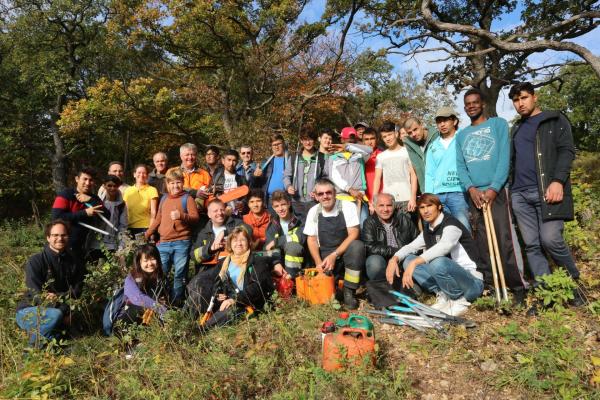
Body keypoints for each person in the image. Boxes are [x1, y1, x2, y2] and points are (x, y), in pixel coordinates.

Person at [508, 82, 583, 306]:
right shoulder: (517, 128)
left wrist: (558, 181)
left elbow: (567, 150)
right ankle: (546, 295)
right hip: (520, 195)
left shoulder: (554, 119)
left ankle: (575, 286)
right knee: (531, 245)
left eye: (523, 98)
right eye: (515, 100)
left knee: (550, 239)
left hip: (546, 191)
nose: (520, 103)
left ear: (534, 97)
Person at [456, 88, 526, 297]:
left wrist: (494, 188)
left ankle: (518, 286)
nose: (471, 106)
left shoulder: (498, 124)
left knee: (505, 239)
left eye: (475, 102)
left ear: (483, 103)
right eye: (467, 104)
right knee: (483, 241)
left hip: (497, 191)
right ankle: (493, 283)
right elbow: (461, 167)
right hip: (475, 194)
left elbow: (505, 158)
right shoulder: (462, 135)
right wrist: (471, 189)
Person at [386, 194, 484, 316]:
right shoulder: (429, 229)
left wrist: (416, 262)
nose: (426, 211)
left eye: (429, 206)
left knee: (437, 262)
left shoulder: (451, 224)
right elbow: (411, 246)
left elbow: (445, 246)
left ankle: (458, 300)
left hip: (472, 283)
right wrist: (394, 259)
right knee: (408, 259)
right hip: (449, 282)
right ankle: (443, 294)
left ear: (439, 207)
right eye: (422, 207)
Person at [16, 220, 86, 347]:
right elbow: (36, 294)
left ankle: (50, 337)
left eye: (63, 235)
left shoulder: (75, 262)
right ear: (48, 238)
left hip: (61, 309)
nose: (60, 238)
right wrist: (62, 310)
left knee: (73, 328)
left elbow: (77, 291)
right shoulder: (36, 261)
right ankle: (34, 347)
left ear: (68, 237)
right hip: (29, 311)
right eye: (55, 235)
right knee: (56, 315)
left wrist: (63, 305)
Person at [197, 227, 282, 329]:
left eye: (242, 240)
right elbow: (216, 282)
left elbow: (257, 287)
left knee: (229, 311)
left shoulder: (257, 261)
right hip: (229, 299)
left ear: (249, 242)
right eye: (235, 240)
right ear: (230, 244)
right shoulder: (224, 262)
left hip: (247, 303)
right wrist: (218, 294)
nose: (239, 243)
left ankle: (202, 330)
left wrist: (234, 299)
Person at [304, 179, 366, 309]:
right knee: (327, 293)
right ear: (315, 196)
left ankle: (349, 291)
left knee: (357, 246)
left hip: (344, 253)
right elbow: (311, 240)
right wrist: (318, 263)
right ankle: (333, 287)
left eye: (328, 192)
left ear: (335, 193)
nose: (325, 196)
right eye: (321, 194)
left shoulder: (348, 206)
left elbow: (354, 233)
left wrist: (335, 254)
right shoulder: (313, 212)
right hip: (325, 254)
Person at [145, 167, 199, 303]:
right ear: (167, 184)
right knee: (160, 272)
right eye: (172, 183)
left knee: (180, 274)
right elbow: (158, 218)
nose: (175, 186)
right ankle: (160, 300)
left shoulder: (188, 198)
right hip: (163, 243)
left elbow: (195, 218)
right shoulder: (163, 199)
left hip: (182, 242)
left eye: (178, 182)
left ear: (183, 182)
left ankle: (177, 302)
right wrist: (149, 232)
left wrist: (181, 216)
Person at [425, 107, 471, 231]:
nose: (442, 124)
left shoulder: (464, 138)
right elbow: (429, 172)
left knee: (463, 229)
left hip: (459, 192)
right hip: (438, 195)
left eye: (445, 120)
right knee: (441, 232)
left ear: (454, 121)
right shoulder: (433, 146)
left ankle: (467, 251)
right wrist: (429, 196)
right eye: (439, 121)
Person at [51, 166, 106, 259]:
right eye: (84, 179)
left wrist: (90, 200)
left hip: (84, 246)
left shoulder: (94, 199)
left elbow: (106, 215)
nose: (88, 183)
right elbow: (56, 217)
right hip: (63, 244)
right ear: (77, 179)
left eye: (91, 180)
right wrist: (84, 213)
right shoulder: (65, 195)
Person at [362, 193, 419, 281]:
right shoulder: (369, 222)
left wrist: (402, 255)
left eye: (389, 205)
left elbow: (417, 241)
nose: (385, 209)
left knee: (412, 261)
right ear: (375, 207)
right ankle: (382, 287)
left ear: (394, 206)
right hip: (382, 259)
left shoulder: (404, 219)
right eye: (381, 205)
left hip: (403, 257)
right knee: (374, 263)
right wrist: (395, 251)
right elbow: (370, 247)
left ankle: (407, 282)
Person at [113, 244, 169, 333]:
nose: (150, 263)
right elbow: (138, 298)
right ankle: (127, 338)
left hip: (151, 313)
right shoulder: (131, 278)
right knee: (137, 308)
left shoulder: (161, 277)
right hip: (127, 317)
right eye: (145, 260)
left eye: (153, 259)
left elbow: (165, 298)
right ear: (139, 262)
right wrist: (161, 309)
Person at [325, 127, 372, 226]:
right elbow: (334, 177)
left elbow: (369, 150)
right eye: (347, 140)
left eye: (353, 141)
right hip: (342, 198)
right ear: (341, 139)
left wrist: (346, 146)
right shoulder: (333, 157)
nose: (350, 143)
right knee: (344, 229)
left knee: (363, 228)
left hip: (360, 197)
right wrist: (350, 189)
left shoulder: (361, 156)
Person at [190, 199, 252, 272]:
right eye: (215, 211)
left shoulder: (235, 222)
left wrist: (225, 232)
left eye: (222, 210)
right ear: (209, 214)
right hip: (211, 270)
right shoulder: (204, 232)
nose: (220, 213)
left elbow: (249, 230)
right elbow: (194, 256)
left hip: (236, 266)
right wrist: (210, 249)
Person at [372, 121, 418, 214]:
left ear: (396, 134)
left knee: (407, 227)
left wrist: (413, 198)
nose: (387, 139)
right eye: (384, 137)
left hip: (406, 199)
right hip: (387, 202)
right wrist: (374, 201)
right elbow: (377, 179)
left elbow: (413, 175)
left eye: (389, 135)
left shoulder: (407, 152)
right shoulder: (381, 156)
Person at [284, 129, 324, 219]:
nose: (308, 142)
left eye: (310, 139)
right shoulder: (294, 157)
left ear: (314, 140)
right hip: (296, 201)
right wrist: (288, 186)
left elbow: (326, 178)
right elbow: (286, 176)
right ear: (301, 140)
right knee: (299, 229)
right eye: (305, 139)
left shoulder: (322, 158)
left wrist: (318, 189)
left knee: (314, 228)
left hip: (314, 200)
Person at [265, 190, 306, 278]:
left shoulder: (300, 220)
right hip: (280, 263)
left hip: (302, 263)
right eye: (277, 206)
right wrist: (276, 263)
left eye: (283, 204)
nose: (280, 209)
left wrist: (277, 241)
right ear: (273, 208)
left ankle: (292, 279)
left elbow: (300, 238)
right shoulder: (272, 225)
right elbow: (268, 248)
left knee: (293, 246)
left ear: (289, 204)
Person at [87, 175, 128, 260]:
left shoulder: (121, 205)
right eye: (109, 185)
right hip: (95, 243)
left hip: (112, 244)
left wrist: (121, 246)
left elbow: (123, 226)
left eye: (115, 186)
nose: (112, 188)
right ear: (104, 186)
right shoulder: (96, 201)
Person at [253, 134, 291, 208]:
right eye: (274, 145)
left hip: (286, 199)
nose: (276, 147)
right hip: (270, 200)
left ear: (283, 144)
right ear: (271, 147)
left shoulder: (291, 160)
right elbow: (256, 183)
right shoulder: (266, 162)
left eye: (278, 144)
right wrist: (255, 176)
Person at [403, 117, 439, 193]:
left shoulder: (437, 136)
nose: (413, 134)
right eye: (409, 133)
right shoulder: (410, 144)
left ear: (421, 125)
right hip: (426, 189)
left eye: (415, 129)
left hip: (443, 186)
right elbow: (417, 168)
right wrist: (424, 191)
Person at [123, 164, 159, 237]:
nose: (141, 175)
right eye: (139, 172)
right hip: (129, 228)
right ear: (134, 174)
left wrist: (150, 231)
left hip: (145, 228)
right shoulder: (128, 190)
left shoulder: (152, 190)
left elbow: (153, 212)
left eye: (144, 173)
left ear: (147, 175)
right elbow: (125, 211)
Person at [211, 148, 247, 216]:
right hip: (220, 214)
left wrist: (242, 203)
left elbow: (246, 197)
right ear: (223, 161)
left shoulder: (242, 179)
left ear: (237, 162)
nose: (231, 163)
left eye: (234, 160)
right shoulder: (216, 177)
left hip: (237, 215)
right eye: (229, 160)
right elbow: (211, 195)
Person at [361, 127, 382, 207]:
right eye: (366, 139)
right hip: (363, 199)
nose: (369, 142)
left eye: (372, 138)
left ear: (377, 139)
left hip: (380, 198)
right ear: (363, 142)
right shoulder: (359, 157)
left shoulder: (382, 155)